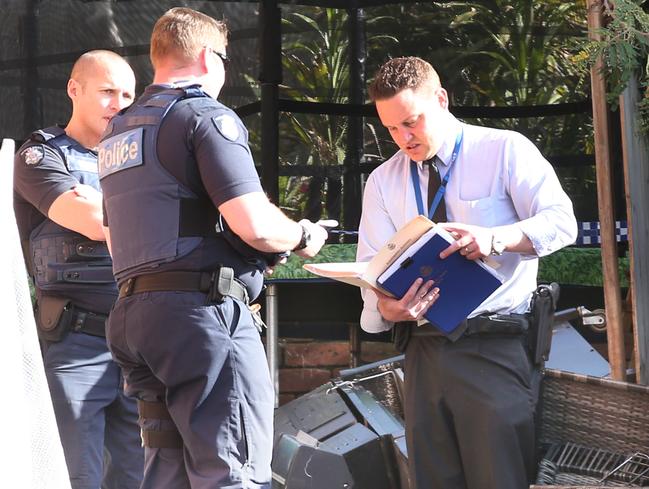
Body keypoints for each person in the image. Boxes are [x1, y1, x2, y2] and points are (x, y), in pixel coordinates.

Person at [97, 7, 328, 489]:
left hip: (135, 318)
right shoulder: (203, 115)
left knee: (167, 474)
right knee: (232, 471)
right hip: (201, 319)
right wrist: (303, 236)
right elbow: (257, 226)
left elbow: (118, 235)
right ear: (208, 57)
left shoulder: (118, 133)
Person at [357, 56, 578, 489]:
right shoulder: (383, 180)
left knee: (499, 478)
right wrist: (388, 306)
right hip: (421, 348)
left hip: (492, 346)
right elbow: (372, 269)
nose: (404, 138)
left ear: (441, 99)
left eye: (411, 122)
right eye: (391, 129)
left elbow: (562, 222)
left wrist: (498, 238)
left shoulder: (503, 149)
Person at [13, 50, 143, 489]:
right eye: (107, 91)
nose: (119, 103)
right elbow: (90, 221)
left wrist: (104, 205)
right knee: (75, 476)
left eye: (127, 94)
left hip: (137, 342)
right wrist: (141, 212)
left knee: (136, 474)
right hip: (74, 340)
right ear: (75, 89)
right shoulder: (41, 154)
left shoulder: (138, 159)